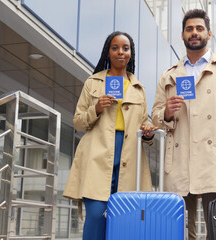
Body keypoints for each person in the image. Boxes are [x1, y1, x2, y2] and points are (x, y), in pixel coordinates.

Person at [151, 9, 216, 240]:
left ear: (209, 33)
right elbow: (154, 116)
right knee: (179, 228)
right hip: (179, 159)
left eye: (199, 28)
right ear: (182, 36)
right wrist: (166, 111)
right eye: (189, 29)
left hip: (215, 158)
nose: (194, 33)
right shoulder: (169, 75)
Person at [63, 31, 157, 240]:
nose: (120, 52)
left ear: (131, 53)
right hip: (97, 156)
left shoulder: (139, 89)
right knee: (97, 215)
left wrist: (148, 133)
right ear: (108, 52)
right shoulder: (93, 83)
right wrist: (95, 109)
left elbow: (143, 127)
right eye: (115, 48)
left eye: (125, 48)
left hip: (129, 158)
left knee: (124, 219)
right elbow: (78, 122)